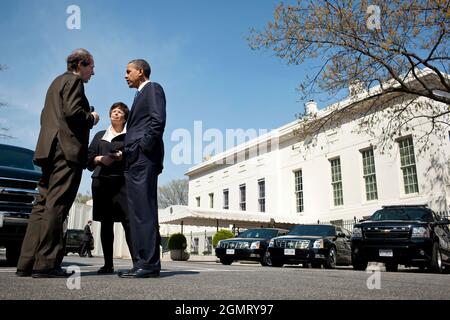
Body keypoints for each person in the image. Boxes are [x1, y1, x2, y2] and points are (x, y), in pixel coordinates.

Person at [16, 48, 99, 278]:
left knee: (41, 205)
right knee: (57, 205)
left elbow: (46, 116)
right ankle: (46, 264)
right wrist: (91, 117)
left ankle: (26, 263)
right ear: (80, 64)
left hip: (48, 150)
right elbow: (73, 113)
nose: (93, 73)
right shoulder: (74, 82)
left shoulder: (54, 83)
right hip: (66, 151)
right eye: (91, 67)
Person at [118, 59, 166, 278]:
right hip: (132, 159)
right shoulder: (138, 95)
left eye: (128, 71)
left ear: (140, 71)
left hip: (143, 158)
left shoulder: (153, 88)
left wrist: (142, 148)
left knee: (144, 210)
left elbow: (158, 121)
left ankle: (148, 263)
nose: (126, 75)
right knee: (136, 212)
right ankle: (140, 262)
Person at [87, 102, 135, 273]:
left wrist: (124, 156)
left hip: (123, 183)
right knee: (106, 224)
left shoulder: (130, 136)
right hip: (102, 183)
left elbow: (136, 157)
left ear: (125, 117)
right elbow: (88, 158)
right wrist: (100, 159)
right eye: (113, 111)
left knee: (128, 223)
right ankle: (108, 264)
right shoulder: (100, 135)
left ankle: (137, 263)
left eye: (120, 112)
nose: (116, 114)